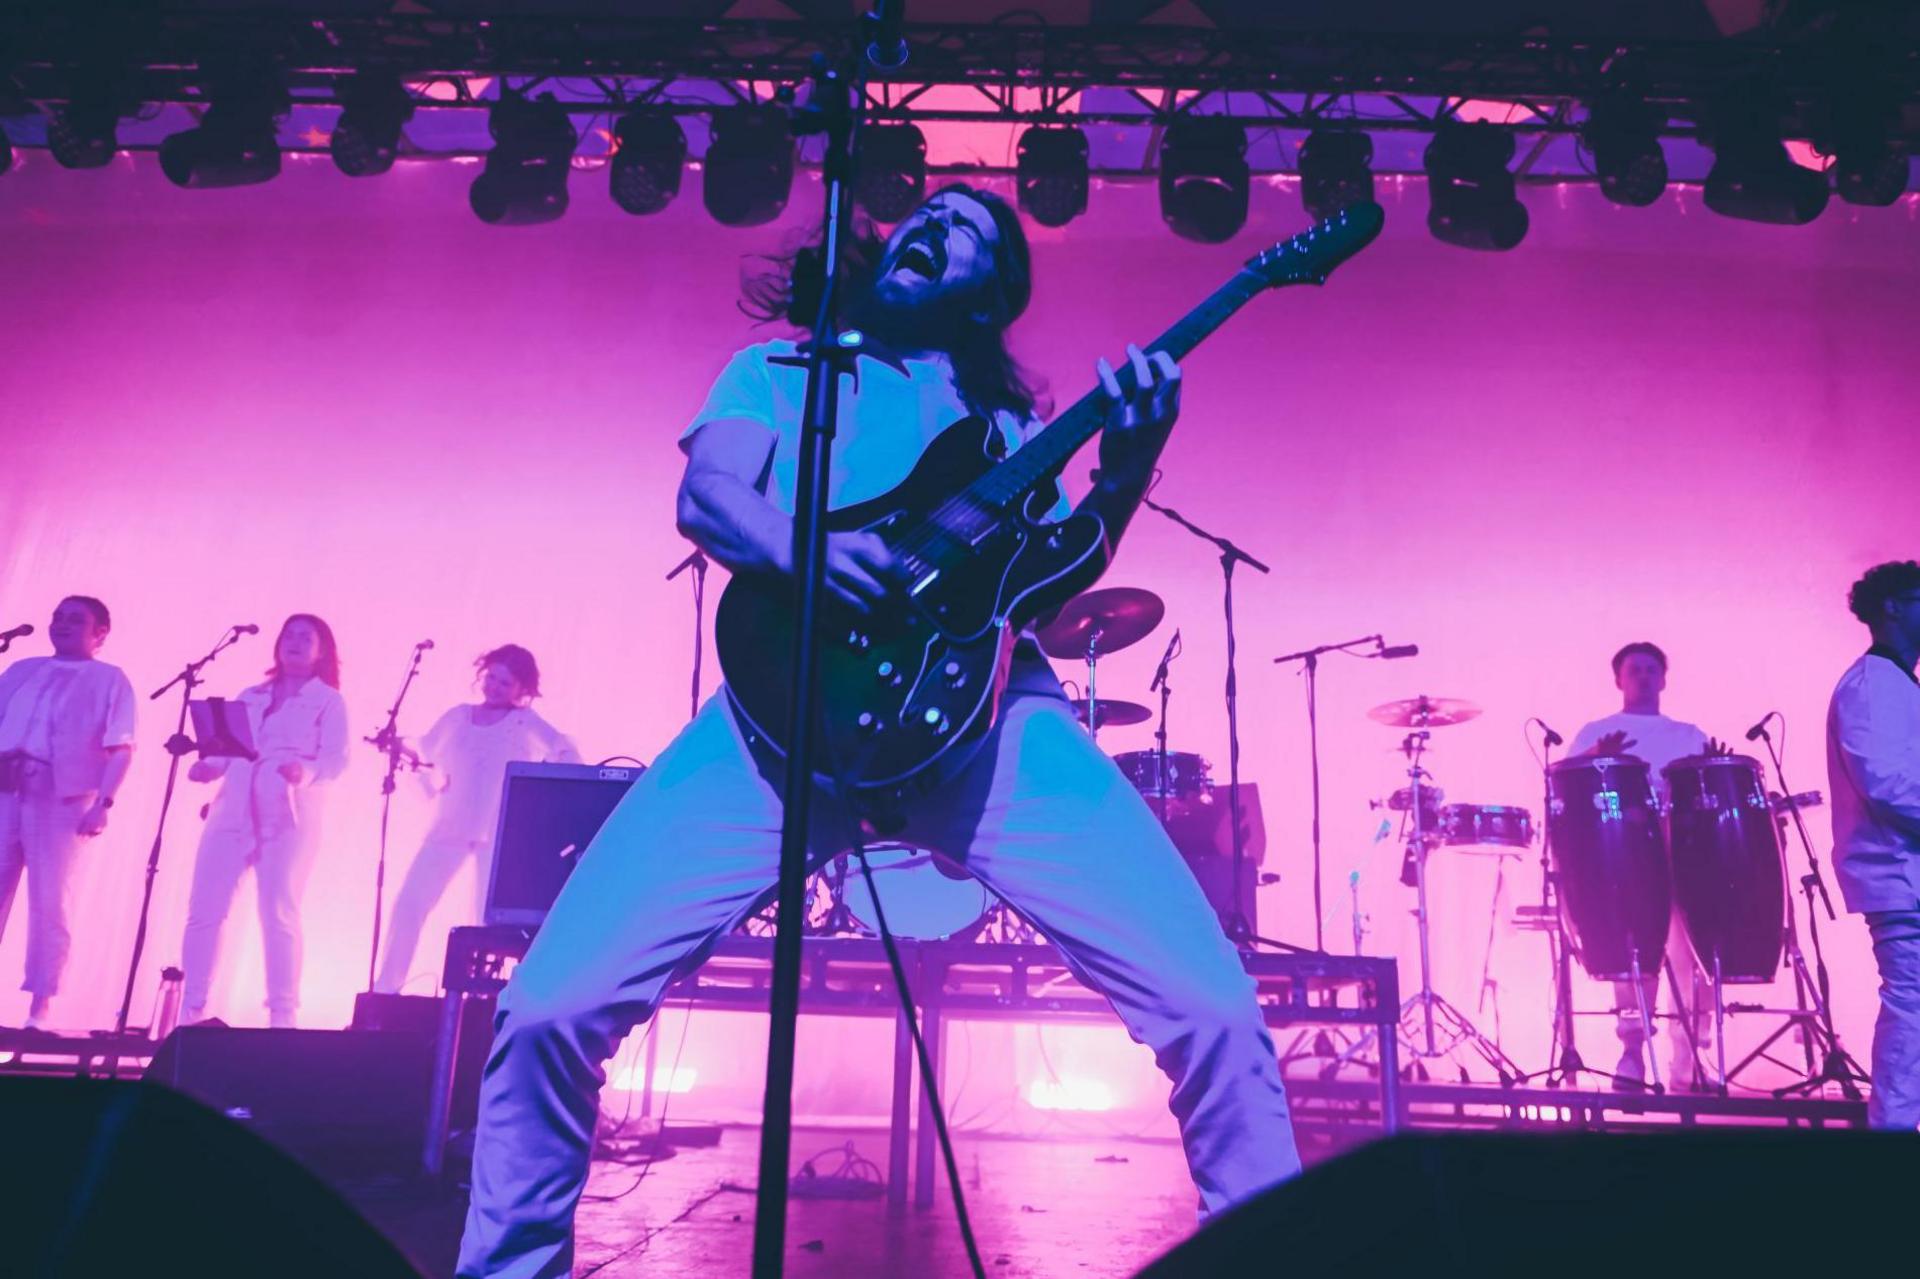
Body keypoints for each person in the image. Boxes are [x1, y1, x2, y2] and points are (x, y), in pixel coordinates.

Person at [456, 186, 1300, 1278]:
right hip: (779, 720)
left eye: (968, 230)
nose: (930, 227)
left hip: (992, 723)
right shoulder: (777, 372)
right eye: (924, 212)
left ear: (988, 293)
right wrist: (803, 548)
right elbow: (709, 495)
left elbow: (1046, 585)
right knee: (548, 1007)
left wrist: (1128, 465)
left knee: (1214, 1007)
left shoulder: (1009, 434)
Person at [374, 644, 579, 995]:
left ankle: (481, 1001)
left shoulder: (523, 722)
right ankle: (385, 991)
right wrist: (400, 747)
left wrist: (536, 793)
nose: (495, 686)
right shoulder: (457, 716)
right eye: (491, 677)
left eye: (506, 682)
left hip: (497, 834)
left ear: (522, 690)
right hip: (449, 826)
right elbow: (425, 751)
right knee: (409, 903)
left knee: (486, 922)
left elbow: (566, 751)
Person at [1567, 641, 1727, 1090]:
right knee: (1635, 955)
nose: (1642, 675)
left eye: (1650, 669)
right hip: (1627, 854)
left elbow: (1705, 788)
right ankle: (1632, 1054)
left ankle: (1691, 1063)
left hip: (1684, 850)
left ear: (1663, 679)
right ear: (1618, 679)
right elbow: (1562, 780)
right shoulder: (1598, 729)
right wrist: (1596, 752)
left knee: (1692, 958)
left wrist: (1712, 765)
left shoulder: (1686, 733)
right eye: (1633, 669)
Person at [179, 614, 349, 1028]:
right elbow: (227, 749)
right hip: (231, 809)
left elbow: (336, 759)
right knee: (205, 910)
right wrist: (209, 766)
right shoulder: (251, 694)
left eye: (304, 638)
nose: (293, 642)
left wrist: (304, 772)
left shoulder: (327, 700)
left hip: (287, 814)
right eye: (288, 635)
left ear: (322, 650)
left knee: (278, 910)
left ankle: (282, 1016)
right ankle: (191, 1009)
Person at [0, 596, 136, 1031]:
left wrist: (104, 803)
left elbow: (121, 748)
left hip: (61, 798)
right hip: (6, 788)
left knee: (50, 902)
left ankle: (39, 1008)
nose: (61, 624)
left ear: (100, 634)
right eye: (57, 616)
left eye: (76, 620)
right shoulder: (22, 669)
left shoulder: (109, 680)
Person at [1826, 560, 1920, 1131]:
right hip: (1898, 874)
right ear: (1892, 607)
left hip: (1905, 869)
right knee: (1912, 1008)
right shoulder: (1869, 684)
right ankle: (1893, 1145)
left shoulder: (1897, 685)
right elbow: (1886, 783)